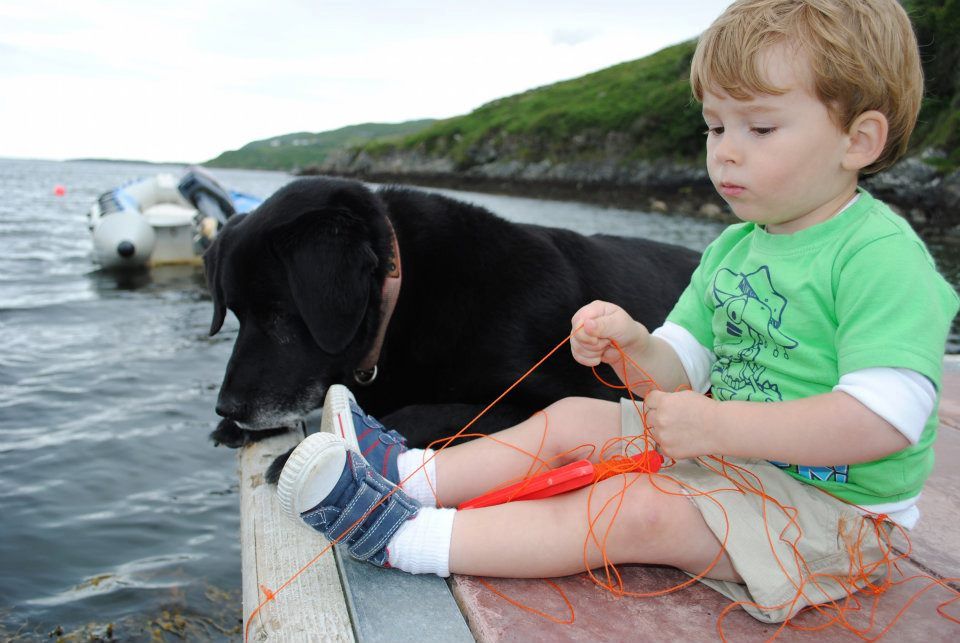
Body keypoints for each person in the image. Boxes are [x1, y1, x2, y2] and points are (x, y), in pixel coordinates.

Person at [275, 0, 959, 623]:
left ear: (858, 141)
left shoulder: (879, 259)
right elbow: (679, 368)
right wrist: (631, 345)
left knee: (635, 510)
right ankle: (407, 475)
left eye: (761, 125)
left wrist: (718, 424)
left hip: (833, 519)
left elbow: (882, 421)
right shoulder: (733, 250)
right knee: (574, 415)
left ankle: (405, 539)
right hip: (730, 458)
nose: (726, 148)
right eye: (715, 125)